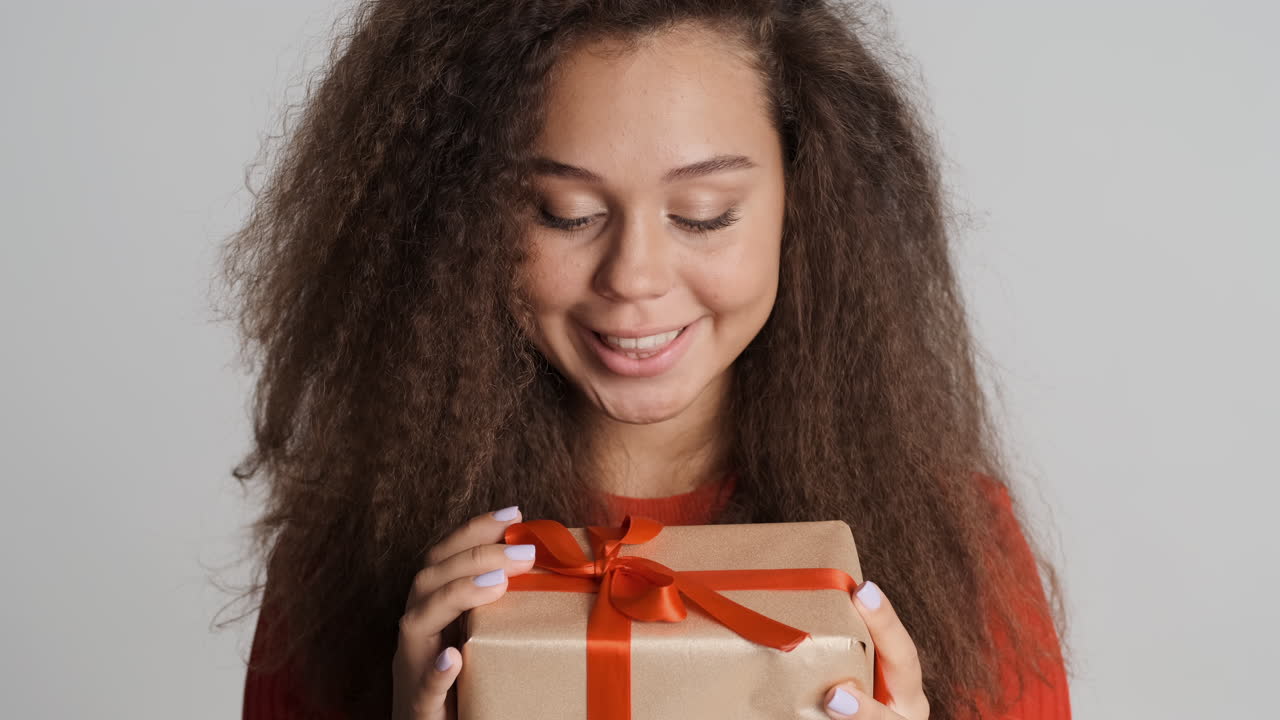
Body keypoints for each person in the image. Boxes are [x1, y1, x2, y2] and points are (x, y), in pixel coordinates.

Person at [218, 1, 1073, 718]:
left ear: (805, 202)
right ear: (461, 219)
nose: (634, 277)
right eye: (565, 212)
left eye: (703, 213)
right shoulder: (336, 562)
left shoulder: (964, 549)